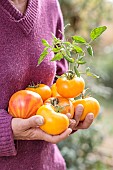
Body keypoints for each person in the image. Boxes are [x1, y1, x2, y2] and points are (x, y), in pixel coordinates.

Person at [0, 0, 94, 169]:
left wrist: (67, 116)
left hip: (47, 164)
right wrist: (7, 129)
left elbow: (58, 85)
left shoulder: (50, 4)